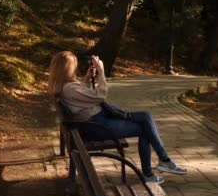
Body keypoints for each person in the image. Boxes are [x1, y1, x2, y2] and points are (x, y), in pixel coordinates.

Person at [48, 51, 186, 184]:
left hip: (95, 122)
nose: (76, 68)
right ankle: (158, 166)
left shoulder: (64, 86)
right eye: (74, 65)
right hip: (97, 126)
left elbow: (84, 97)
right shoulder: (69, 88)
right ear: (68, 68)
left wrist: (88, 80)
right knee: (145, 126)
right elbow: (100, 95)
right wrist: (101, 71)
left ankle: (160, 164)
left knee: (146, 118)